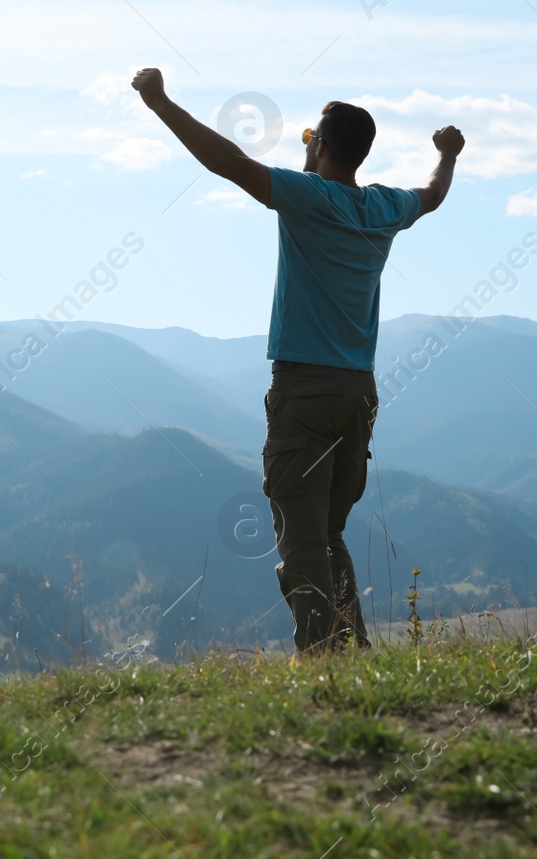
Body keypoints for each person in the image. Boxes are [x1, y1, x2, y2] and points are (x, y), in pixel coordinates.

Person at [131, 68, 463, 653]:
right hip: (357, 394)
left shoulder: (308, 197)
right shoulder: (383, 207)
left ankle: (325, 661)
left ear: (323, 145)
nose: (305, 145)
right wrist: (448, 153)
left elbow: (227, 162)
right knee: (328, 533)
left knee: (303, 539)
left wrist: (159, 101)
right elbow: (432, 195)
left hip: (305, 394)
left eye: (311, 137)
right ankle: (350, 652)